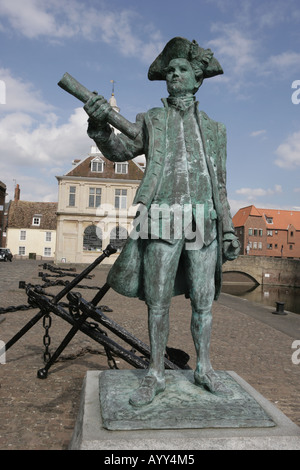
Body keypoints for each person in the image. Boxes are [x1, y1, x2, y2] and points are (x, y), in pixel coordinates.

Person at [84, 37, 240, 407]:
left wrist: (229, 228)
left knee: (203, 301)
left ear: (197, 78)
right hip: (161, 218)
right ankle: (155, 372)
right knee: (157, 301)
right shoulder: (150, 120)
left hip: (203, 220)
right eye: (169, 70)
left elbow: (219, 183)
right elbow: (120, 151)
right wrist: (99, 126)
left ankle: (204, 368)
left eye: (181, 69)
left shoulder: (216, 130)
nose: (173, 75)